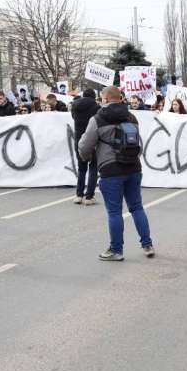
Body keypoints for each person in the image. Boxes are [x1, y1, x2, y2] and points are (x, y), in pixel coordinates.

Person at [77, 86, 154, 262]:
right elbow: (137, 143)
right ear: (120, 98)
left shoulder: (97, 118)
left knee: (114, 212)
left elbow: (85, 145)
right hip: (133, 167)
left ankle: (116, 250)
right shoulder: (132, 117)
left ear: (104, 99)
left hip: (110, 169)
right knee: (137, 207)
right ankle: (147, 245)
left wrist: (87, 157)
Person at [71, 88, 100, 205]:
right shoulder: (97, 107)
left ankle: (79, 195)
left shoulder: (75, 106)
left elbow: (73, 117)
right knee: (93, 167)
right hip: (92, 139)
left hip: (79, 139)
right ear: (94, 97)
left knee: (81, 168)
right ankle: (89, 196)